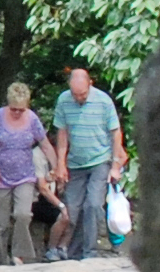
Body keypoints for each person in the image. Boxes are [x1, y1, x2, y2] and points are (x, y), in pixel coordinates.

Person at [49, 62, 130, 259]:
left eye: (83, 95)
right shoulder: (63, 101)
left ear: (90, 84)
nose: (79, 98)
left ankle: (90, 252)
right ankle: (75, 253)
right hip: (75, 162)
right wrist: (60, 163)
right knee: (73, 208)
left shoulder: (103, 101)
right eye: (75, 95)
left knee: (93, 204)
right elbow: (62, 133)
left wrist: (116, 165)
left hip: (100, 159)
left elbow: (115, 133)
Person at [0, 80, 55, 266]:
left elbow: (45, 145)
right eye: (14, 109)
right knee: (0, 224)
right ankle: (0, 260)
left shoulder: (32, 119)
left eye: (21, 110)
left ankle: (18, 254)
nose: (17, 113)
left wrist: (56, 167)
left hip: (25, 176)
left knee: (23, 214)